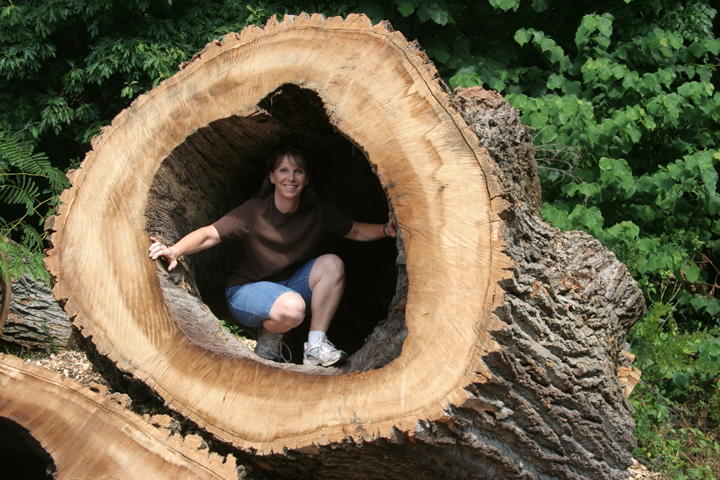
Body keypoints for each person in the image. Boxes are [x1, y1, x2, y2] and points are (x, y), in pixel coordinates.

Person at [148, 148, 396, 367]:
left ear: (306, 179)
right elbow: (209, 235)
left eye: (298, 171)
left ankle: (315, 346)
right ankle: (270, 338)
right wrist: (174, 250)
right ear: (272, 177)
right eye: (284, 170)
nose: (291, 177)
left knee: (332, 263)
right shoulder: (255, 211)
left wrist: (386, 230)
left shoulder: (317, 211)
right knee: (293, 308)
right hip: (245, 291)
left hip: (290, 286)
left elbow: (355, 230)